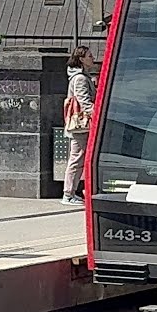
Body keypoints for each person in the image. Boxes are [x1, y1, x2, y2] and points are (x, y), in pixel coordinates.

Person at [62, 46, 96, 205]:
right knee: (76, 158)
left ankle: (71, 192)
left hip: (79, 125)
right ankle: (68, 193)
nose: (92, 58)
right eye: (89, 56)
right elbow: (84, 102)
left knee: (78, 158)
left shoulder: (80, 76)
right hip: (81, 125)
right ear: (81, 59)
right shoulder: (81, 78)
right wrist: (96, 114)